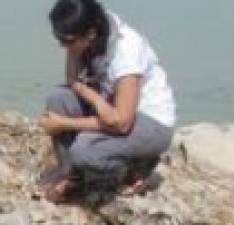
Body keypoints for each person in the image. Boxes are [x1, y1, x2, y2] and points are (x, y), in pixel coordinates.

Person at [38, 0, 176, 201]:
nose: (62, 46)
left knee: (84, 149)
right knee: (57, 98)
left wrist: (64, 123)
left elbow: (121, 123)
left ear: (90, 34)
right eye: (59, 38)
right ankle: (72, 176)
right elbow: (71, 79)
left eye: (67, 41)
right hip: (112, 107)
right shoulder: (90, 31)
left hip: (150, 123)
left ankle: (135, 168)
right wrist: (90, 95)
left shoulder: (125, 51)